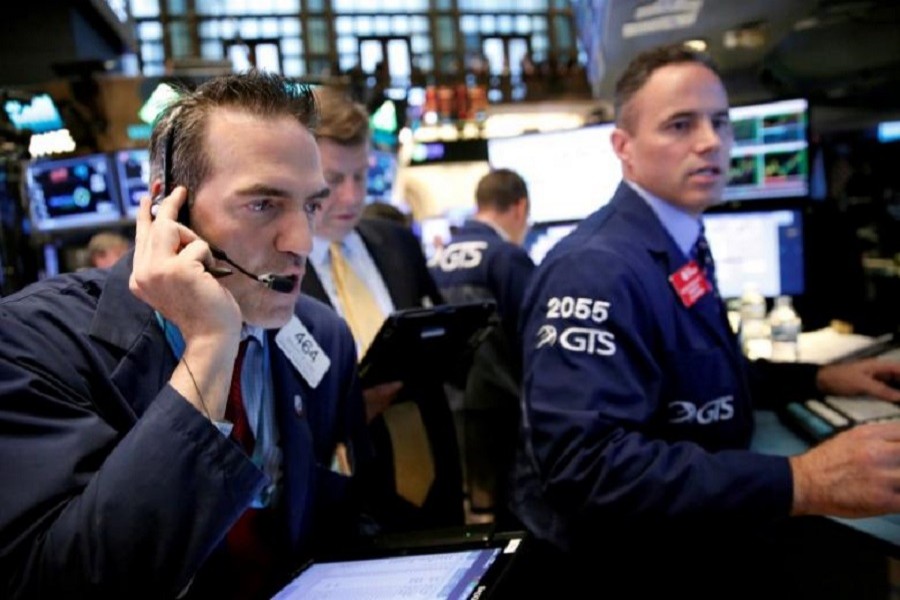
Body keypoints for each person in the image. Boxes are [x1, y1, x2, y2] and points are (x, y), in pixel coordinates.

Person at [511, 43, 900, 597]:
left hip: (694, 542)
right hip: (624, 570)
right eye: (679, 125)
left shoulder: (680, 240)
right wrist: (803, 480)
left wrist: (816, 379)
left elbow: (702, 371)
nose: (711, 141)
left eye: (720, 122)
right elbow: (590, 470)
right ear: (623, 147)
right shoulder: (594, 270)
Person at [0, 71, 374, 599]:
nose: (302, 241)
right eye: (263, 204)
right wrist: (209, 349)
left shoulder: (321, 335)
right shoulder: (31, 345)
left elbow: (345, 526)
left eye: (309, 206)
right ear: (167, 207)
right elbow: (61, 582)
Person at [301, 86, 461, 528]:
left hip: (434, 472)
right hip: (347, 499)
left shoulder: (394, 243)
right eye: (333, 182)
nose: (353, 198)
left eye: (361, 176)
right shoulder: (275, 276)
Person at [428, 168, 534, 524]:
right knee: (502, 517)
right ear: (520, 207)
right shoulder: (506, 256)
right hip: (499, 408)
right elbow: (533, 334)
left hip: (448, 405)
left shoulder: (438, 258)